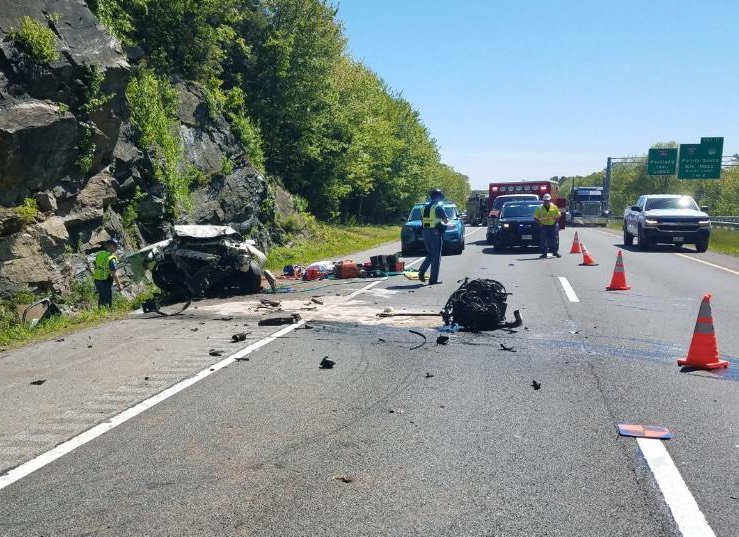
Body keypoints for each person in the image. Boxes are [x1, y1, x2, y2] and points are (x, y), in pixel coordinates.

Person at [418, 188, 449, 284]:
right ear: (438, 197)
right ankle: (433, 280)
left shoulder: (424, 207)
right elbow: (445, 220)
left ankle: (422, 271)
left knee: (430, 254)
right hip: (435, 233)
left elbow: (422, 220)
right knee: (436, 257)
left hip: (425, 232)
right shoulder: (438, 207)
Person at [93, 238, 123, 307]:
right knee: (106, 302)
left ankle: (100, 313)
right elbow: (114, 274)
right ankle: (105, 314)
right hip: (104, 281)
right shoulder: (111, 258)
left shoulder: (100, 254)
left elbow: (95, 264)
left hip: (97, 280)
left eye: (117, 245)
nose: (116, 247)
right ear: (108, 246)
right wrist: (119, 285)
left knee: (101, 299)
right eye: (114, 245)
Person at [533, 194, 561, 258]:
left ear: (550, 200)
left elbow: (559, 216)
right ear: (543, 200)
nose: (546, 201)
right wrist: (540, 224)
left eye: (547, 200)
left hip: (552, 225)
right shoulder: (539, 208)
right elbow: (535, 217)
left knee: (554, 239)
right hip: (543, 226)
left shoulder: (554, 207)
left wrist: (555, 223)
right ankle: (544, 253)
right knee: (543, 240)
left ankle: (555, 252)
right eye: (545, 200)